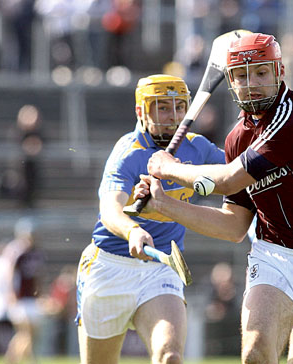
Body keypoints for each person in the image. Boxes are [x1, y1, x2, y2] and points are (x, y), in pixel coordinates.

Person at [134, 32, 293, 364]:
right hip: (275, 257)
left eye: (260, 72)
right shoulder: (237, 139)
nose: (250, 83)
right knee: (255, 354)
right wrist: (164, 204)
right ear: (229, 80)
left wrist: (170, 168)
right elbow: (233, 226)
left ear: (280, 72)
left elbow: (228, 181)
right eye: (241, 75)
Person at [75, 74, 225, 364]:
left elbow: (235, 173)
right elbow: (109, 210)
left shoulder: (198, 147)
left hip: (160, 267)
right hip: (109, 267)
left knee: (170, 356)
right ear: (142, 111)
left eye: (179, 107)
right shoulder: (128, 154)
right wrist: (132, 230)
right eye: (163, 108)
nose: (174, 116)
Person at [3, 217, 46, 364]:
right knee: (26, 332)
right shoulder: (17, 250)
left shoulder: (36, 252)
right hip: (20, 297)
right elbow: (10, 274)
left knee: (30, 334)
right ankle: (19, 360)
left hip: (31, 298)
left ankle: (15, 359)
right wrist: (11, 294)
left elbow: (38, 275)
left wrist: (40, 292)